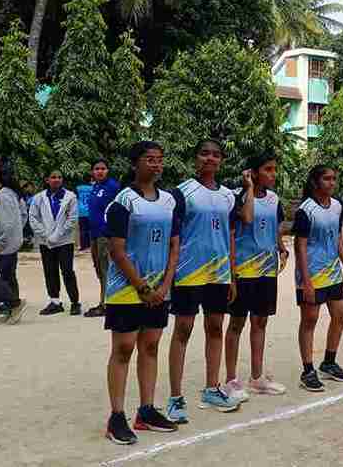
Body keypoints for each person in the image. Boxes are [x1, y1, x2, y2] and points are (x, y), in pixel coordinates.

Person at [103, 141, 180, 445]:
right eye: (150, 160)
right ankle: (116, 417)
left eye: (160, 160)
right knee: (123, 349)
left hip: (159, 290)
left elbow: (174, 246)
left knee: (150, 346)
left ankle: (146, 410)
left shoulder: (169, 201)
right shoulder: (123, 202)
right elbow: (117, 251)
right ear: (135, 163)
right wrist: (143, 288)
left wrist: (163, 286)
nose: (157, 165)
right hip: (127, 290)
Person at [167, 140, 240, 422]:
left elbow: (230, 236)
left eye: (216, 154)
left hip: (219, 274)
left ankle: (212, 387)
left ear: (221, 160)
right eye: (204, 153)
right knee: (183, 330)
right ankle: (175, 397)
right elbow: (173, 237)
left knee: (215, 328)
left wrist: (232, 275)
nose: (210, 158)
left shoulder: (227, 196)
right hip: (188, 272)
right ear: (195, 158)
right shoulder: (182, 193)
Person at [224, 155, 295, 398]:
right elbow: (246, 219)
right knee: (236, 324)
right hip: (243, 271)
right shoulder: (238, 196)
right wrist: (250, 189)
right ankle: (231, 380)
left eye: (275, 169)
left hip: (266, 270)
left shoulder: (274, 199)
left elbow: (273, 228)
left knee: (260, 322)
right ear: (253, 173)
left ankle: (256, 377)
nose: (273, 174)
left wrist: (281, 247)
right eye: (268, 170)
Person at [291, 165, 343, 391]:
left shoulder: (336, 206)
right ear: (316, 182)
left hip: (333, 272)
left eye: (334, 179)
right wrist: (306, 281)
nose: (332, 183)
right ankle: (307, 370)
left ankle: (328, 362)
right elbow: (300, 246)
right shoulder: (306, 210)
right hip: (312, 274)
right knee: (310, 321)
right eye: (327, 179)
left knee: (341, 314)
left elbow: (338, 238)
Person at [29, 170, 81, 316]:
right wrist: (45, 236)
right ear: (47, 180)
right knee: (50, 271)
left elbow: (72, 219)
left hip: (65, 241)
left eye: (59, 177)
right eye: (53, 177)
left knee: (68, 271)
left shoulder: (70, 197)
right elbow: (33, 218)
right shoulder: (38, 198)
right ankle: (55, 302)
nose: (56, 180)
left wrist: (57, 235)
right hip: (46, 242)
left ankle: (75, 302)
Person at [0, 159, 28, 325]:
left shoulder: (4, 195)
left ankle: (15, 303)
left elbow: (8, 223)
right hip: (7, 243)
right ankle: (12, 310)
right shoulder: (8, 194)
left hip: (3, 245)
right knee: (6, 276)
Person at [85, 160, 121, 318]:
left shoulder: (112, 187)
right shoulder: (95, 187)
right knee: (99, 269)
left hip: (105, 235)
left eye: (103, 168)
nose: (100, 171)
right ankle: (104, 300)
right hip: (94, 234)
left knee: (107, 268)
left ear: (108, 170)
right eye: (96, 168)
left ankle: (107, 304)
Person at [76, 179, 93, 252]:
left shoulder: (78, 188)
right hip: (90, 211)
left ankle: (83, 247)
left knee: (82, 230)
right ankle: (90, 246)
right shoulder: (92, 188)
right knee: (90, 230)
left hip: (81, 211)